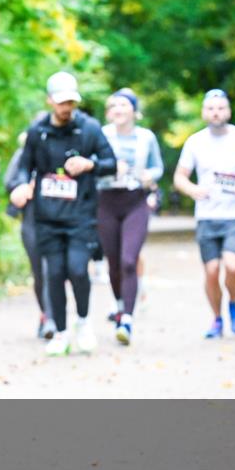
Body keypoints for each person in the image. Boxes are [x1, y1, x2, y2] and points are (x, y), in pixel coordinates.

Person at [9, 72, 116, 356]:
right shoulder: (38, 132)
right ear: (50, 102)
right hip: (47, 216)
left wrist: (89, 164)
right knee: (54, 274)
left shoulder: (90, 129)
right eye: (61, 102)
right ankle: (60, 331)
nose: (67, 108)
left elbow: (111, 163)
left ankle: (83, 323)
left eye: (71, 102)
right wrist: (21, 186)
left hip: (81, 215)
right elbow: (24, 166)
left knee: (78, 270)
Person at [174, 89, 235, 338]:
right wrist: (193, 189)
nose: (216, 112)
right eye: (211, 109)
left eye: (221, 108)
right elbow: (180, 177)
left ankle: (233, 303)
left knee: (232, 267)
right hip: (207, 216)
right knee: (212, 271)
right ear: (203, 113)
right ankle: (217, 318)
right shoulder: (195, 142)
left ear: (228, 111)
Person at [96, 88, 163, 345]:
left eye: (124, 105)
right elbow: (92, 163)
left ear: (134, 110)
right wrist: (111, 168)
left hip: (135, 201)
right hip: (107, 201)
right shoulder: (101, 135)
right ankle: (120, 304)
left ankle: (127, 320)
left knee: (128, 260)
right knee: (113, 261)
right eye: (114, 106)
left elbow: (158, 167)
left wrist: (151, 176)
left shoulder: (147, 137)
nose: (119, 110)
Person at [5, 127, 54, 339]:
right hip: (32, 219)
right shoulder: (23, 154)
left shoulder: (64, 152)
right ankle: (45, 314)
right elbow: (10, 182)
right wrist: (25, 187)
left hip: (58, 219)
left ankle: (53, 319)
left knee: (51, 270)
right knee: (39, 272)